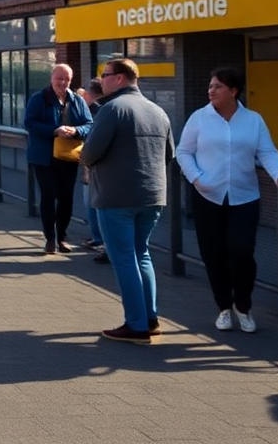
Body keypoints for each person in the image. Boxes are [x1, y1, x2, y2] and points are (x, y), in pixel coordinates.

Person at [176, 68, 278, 334]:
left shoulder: (253, 120)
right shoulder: (199, 118)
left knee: (241, 251)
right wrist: (196, 178)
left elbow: (267, 152)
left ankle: (243, 305)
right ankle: (224, 309)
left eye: (217, 86)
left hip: (244, 196)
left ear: (234, 91)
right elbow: (184, 152)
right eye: (210, 85)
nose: (211, 90)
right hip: (207, 195)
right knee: (214, 255)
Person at [80, 58, 173, 344]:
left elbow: (90, 153)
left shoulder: (112, 109)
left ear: (119, 78)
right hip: (152, 196)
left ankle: (136, 324)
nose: (101, 80)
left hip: (116, 196)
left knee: (123, 258)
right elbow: (169, 154)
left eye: (105, 75)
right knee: (141, 253)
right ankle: (151, 318)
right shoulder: (158, 111)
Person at [24, 63, 93, 254]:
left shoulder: (77, 100)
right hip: (44, 157)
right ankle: (50, 238)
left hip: (68, 156)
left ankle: (62, 236)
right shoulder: (39, 99)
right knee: (49, 195)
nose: (62, 83)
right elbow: (29, 123)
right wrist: (54, 131)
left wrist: (76, 130)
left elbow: (89, 124)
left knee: (66, 197)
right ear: (51, 78)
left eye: (67, 79)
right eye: (59, 78)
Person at [79, 80, 108, 263]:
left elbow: (92, 145)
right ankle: (101, 241)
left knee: (94, 205)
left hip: (100, 171)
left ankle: (102, 242)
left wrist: (87, 167)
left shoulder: (101, 112)